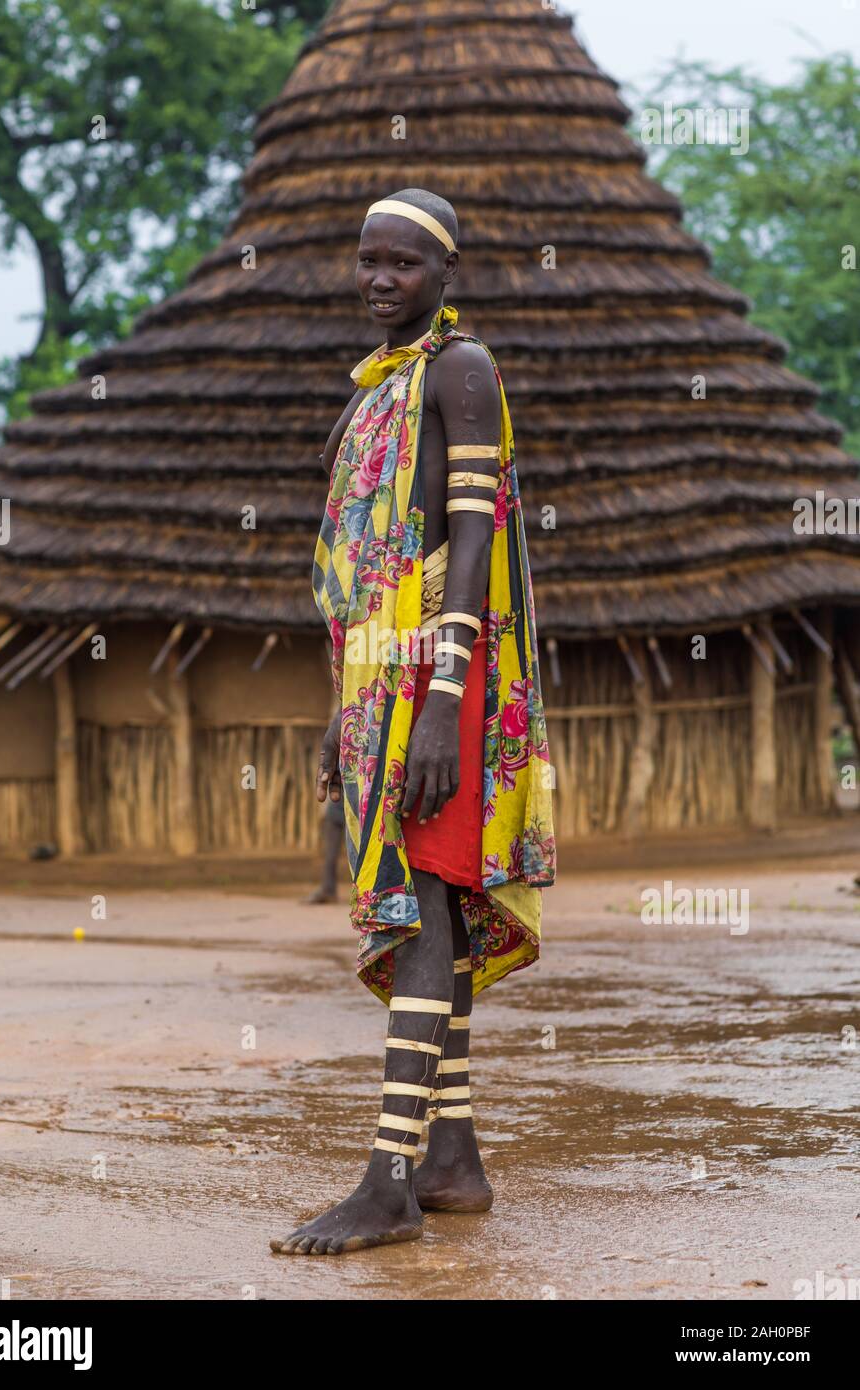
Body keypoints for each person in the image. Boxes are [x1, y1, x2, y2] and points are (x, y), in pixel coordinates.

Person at [271, 188, 556, 1256]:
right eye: (366, 261)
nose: (380, 279)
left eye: (402, 263)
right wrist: (336, 710)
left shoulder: (458, 370)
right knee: (424, 892)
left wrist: (443, 700)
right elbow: (354, 577)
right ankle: (451, 1156)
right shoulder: (369, 395)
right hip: (377, 677)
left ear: (446, 274)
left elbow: (472, 545)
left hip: (444, 669)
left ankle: (388, 1181)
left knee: (425, 894)